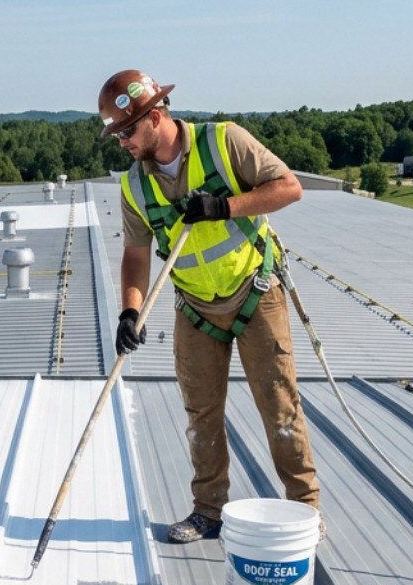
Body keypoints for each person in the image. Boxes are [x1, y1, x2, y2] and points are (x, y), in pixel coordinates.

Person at [103, 69, 321, 543]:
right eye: (116, 133)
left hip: (255, 292)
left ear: (155, 117)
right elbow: (136, 254)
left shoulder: (224, 142)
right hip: (195, 306)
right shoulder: (135, 187)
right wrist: (129, 312)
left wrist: (225, 207)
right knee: (201, 413)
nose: (121, 141)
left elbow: (289, 187)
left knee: (278, 406)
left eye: (127, 130)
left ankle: (304, 510)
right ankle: (208, 512)